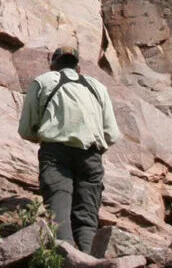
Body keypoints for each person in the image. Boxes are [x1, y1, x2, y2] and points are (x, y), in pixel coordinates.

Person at [18, 46, 120, 254]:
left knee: (59, 216)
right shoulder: (97, 87)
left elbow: (26, 129)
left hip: (56, 154)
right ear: (78, 67)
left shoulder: (43, 81)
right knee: (87, 218)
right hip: (91, 155)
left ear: (53, 65)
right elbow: (111, 134)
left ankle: (64, 267)